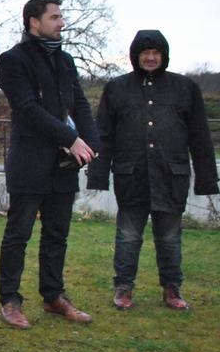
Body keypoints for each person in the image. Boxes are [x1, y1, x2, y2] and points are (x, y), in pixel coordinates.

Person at [87, 30, 218, 310]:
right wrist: (97, 174)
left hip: (172, 177)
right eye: (145, 52)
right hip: (131, 176)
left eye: (156, 52)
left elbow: (200, 137)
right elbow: (104, 135)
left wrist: (207, 180)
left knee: (170, 237)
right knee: (128, 235)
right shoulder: (117, 88)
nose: (150, 57)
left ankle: (172, 289)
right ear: (135, 55)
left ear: (164, 55)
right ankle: (123, 288)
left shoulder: (185, 88)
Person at [0, 0, 100, 330]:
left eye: (61, 16)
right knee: (19, 234)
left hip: (64, 165)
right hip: (30, 160)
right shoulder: (13, 60)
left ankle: (54, 296)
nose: (61, 22)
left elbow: (79, 104)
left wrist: (91, 141)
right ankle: (10, 301)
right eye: (54, 17)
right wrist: (70, 139)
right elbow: (27, 108)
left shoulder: (66, 61)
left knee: (57, 234)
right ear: (33, 21)